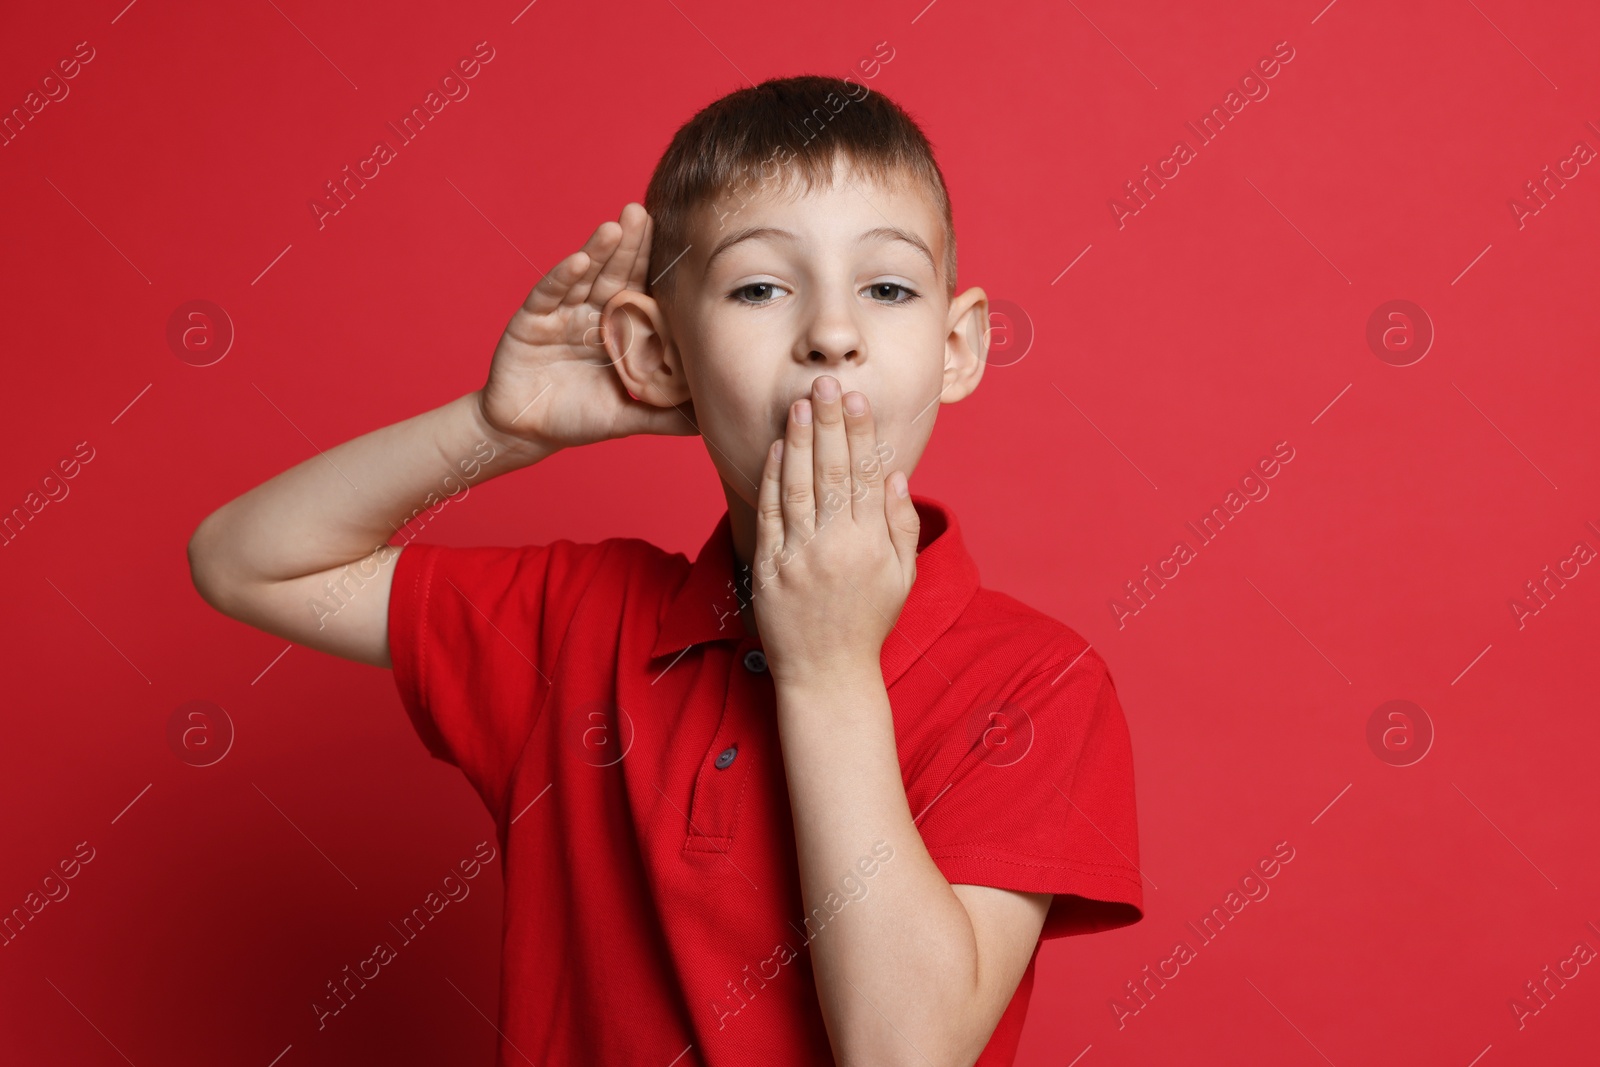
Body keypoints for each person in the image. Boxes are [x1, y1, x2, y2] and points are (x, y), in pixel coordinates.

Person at [187, 73, 1143, 1066]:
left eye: (888, 286)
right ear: (657, 353)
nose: (830, 332)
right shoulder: (577, 622)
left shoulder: (1038, 684)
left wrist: (826, 667)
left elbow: (903, 1052)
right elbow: (245, 563)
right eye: (761, 286)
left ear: (957, 346)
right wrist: (494, 430)